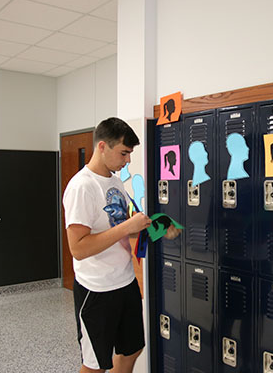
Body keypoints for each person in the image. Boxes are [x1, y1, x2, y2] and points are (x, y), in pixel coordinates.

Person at [63, 117, 180, 373]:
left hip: (124, 282)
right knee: (95, 365)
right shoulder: (82, 187)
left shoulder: (114, 181)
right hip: (96, 289)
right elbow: (78, 249)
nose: (127, 160)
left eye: (130, 154)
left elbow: (124, 226)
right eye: (124, 153)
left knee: (132, 349)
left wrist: (157, 229)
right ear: (102, 146)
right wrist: (127, 227)